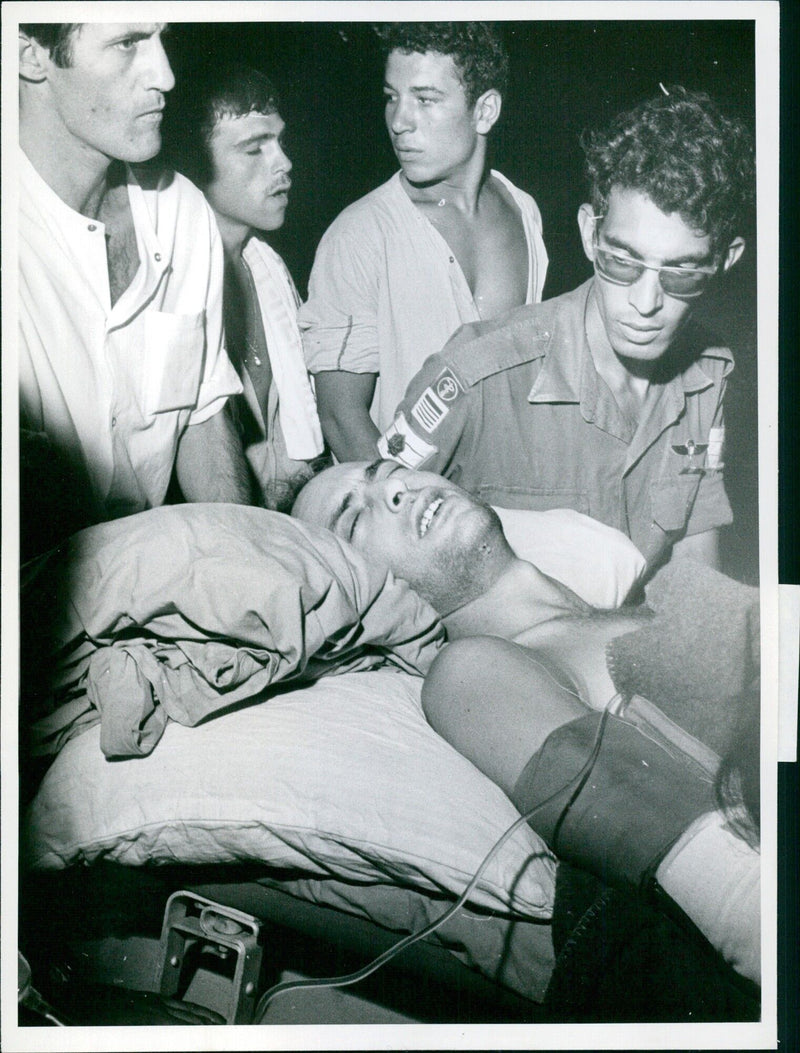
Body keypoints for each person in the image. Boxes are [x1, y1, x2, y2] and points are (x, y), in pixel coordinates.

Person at [292, 459, 761, 989]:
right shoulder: (471, 674)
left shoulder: (635, 609)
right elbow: (738, 899)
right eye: (354, 519)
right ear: (362, 595)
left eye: (387, 471)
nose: (397, 489)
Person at [379, 86, 755, 576]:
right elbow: (363, 553)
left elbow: (696, 564)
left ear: (726, 261)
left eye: (681, 274)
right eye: (622, 261)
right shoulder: (475, 378)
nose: (645, 303)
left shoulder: (708, 375)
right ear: (588, 234)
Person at [18, 23, 252, 557]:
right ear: (30, 55)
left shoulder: (182, 210)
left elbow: (203, 414)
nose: (166, 76)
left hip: (152, 577)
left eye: (161, 38)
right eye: (127, 44)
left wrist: (246, 562)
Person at [299, 22, 548, 460]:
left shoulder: (524, 210)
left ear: (485, 111)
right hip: (408, 512)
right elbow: (340, 417)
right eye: (391, 98)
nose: (399, 121)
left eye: (425, 99)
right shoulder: (359, 235)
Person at [162, 63, 329, 512]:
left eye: (280, 141)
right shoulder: (166, 291)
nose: (285, 163)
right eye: (255, 149)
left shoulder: (269, 267)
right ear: (192, 163)